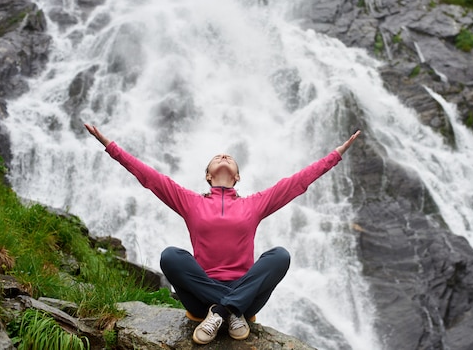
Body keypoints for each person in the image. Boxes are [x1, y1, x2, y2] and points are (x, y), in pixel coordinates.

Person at [84, 123, 361, 345]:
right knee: (170, 256)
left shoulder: (254, 203)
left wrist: (335, 155)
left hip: (247, 292)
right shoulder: (190, 201)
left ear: (238, 177)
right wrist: (111, 147)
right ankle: (230, 311)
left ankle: (219, 313)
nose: (224, 156)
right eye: (217, 158)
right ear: (207, 175)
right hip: (199, 294)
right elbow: (150, 178)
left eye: (229, 158)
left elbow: (296, 183)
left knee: (280, 256)